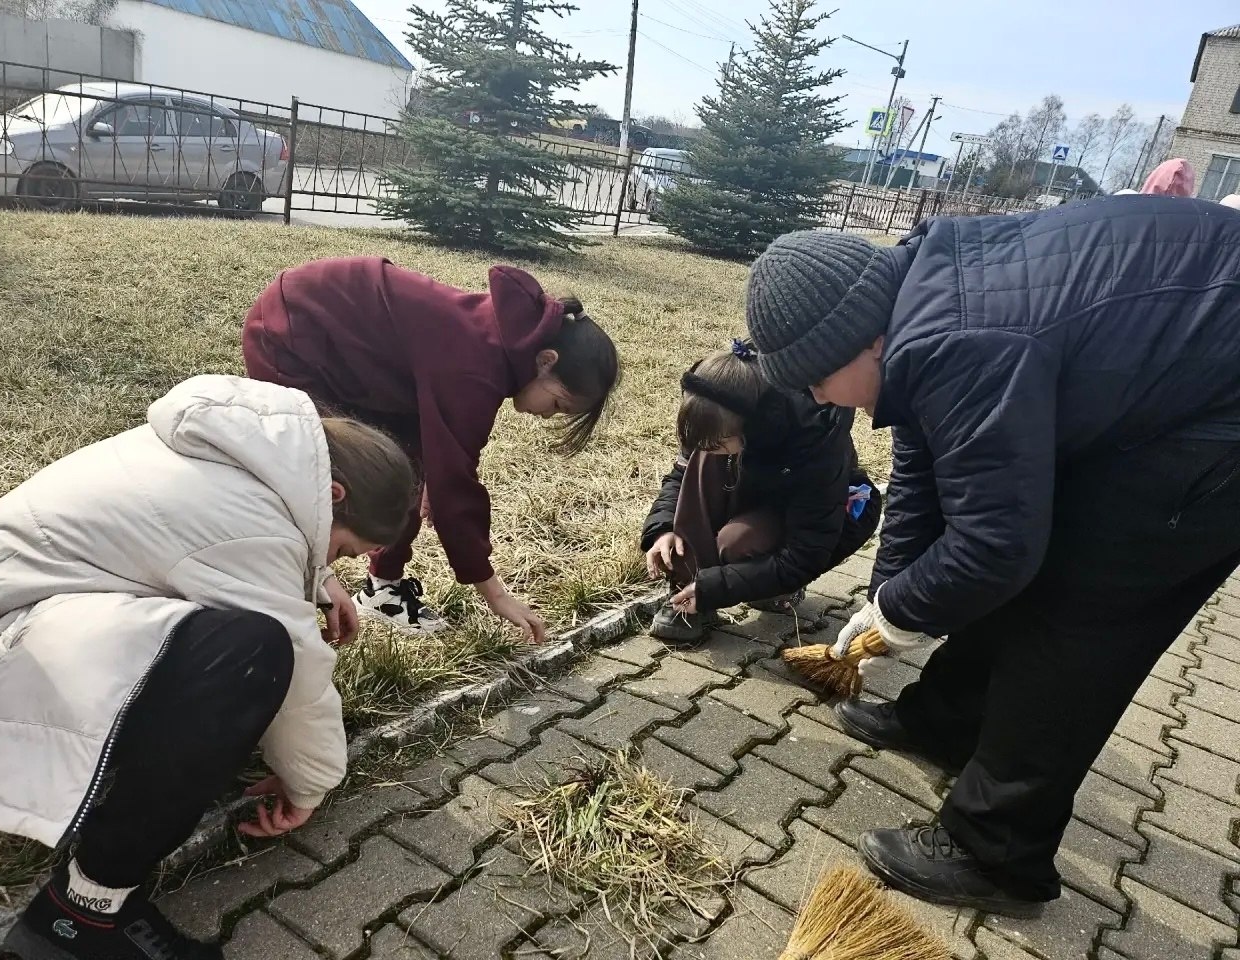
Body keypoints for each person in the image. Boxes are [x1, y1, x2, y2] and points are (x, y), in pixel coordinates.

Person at [744, 206, 1240, 915]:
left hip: (1219, 425)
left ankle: (996, 850)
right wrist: (889, 597)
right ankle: (946, 721)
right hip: (1177, 381)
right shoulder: (922, 296)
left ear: (863, 344)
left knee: (1079, 612)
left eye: (815, 382)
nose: (819, 401)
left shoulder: (959, 338)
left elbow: (996, 545)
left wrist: (906, 615)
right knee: (1027, 539)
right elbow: (926, 470)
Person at [0, 376, 416, 960]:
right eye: (344, 552)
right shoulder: (252, 523)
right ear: (330, 493)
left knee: (240, 646)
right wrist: (312, 782)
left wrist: (317, 580)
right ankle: (81, 916)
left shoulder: (242, 458)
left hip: (25, 627)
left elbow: (214, 543)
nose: (338, 563)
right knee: (253, 654)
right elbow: (300, 673)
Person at [243, 257, 621, 642]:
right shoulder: (478, 364)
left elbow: (439, 463)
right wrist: (495, 592)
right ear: (546, 361)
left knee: (406, 466)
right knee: (316, 474)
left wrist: (430, 476)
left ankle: (382, 589)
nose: (547, 416)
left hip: (361, 362)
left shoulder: (498, 342)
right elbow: (455, 482)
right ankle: (294, 597)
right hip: (295, 334)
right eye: (558, 404)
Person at [641, 338, 879, 644]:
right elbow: (680, 477)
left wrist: (715, 588)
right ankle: (685, 591)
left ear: (754, 427)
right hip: (753, 494)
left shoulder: (816, 443)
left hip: (808, 519)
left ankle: (773, 590)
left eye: (721, 442)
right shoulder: (713, 415)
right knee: (704, 460)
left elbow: (804, 554)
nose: (709, 449)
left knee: (736, 543)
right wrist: (662, 529)